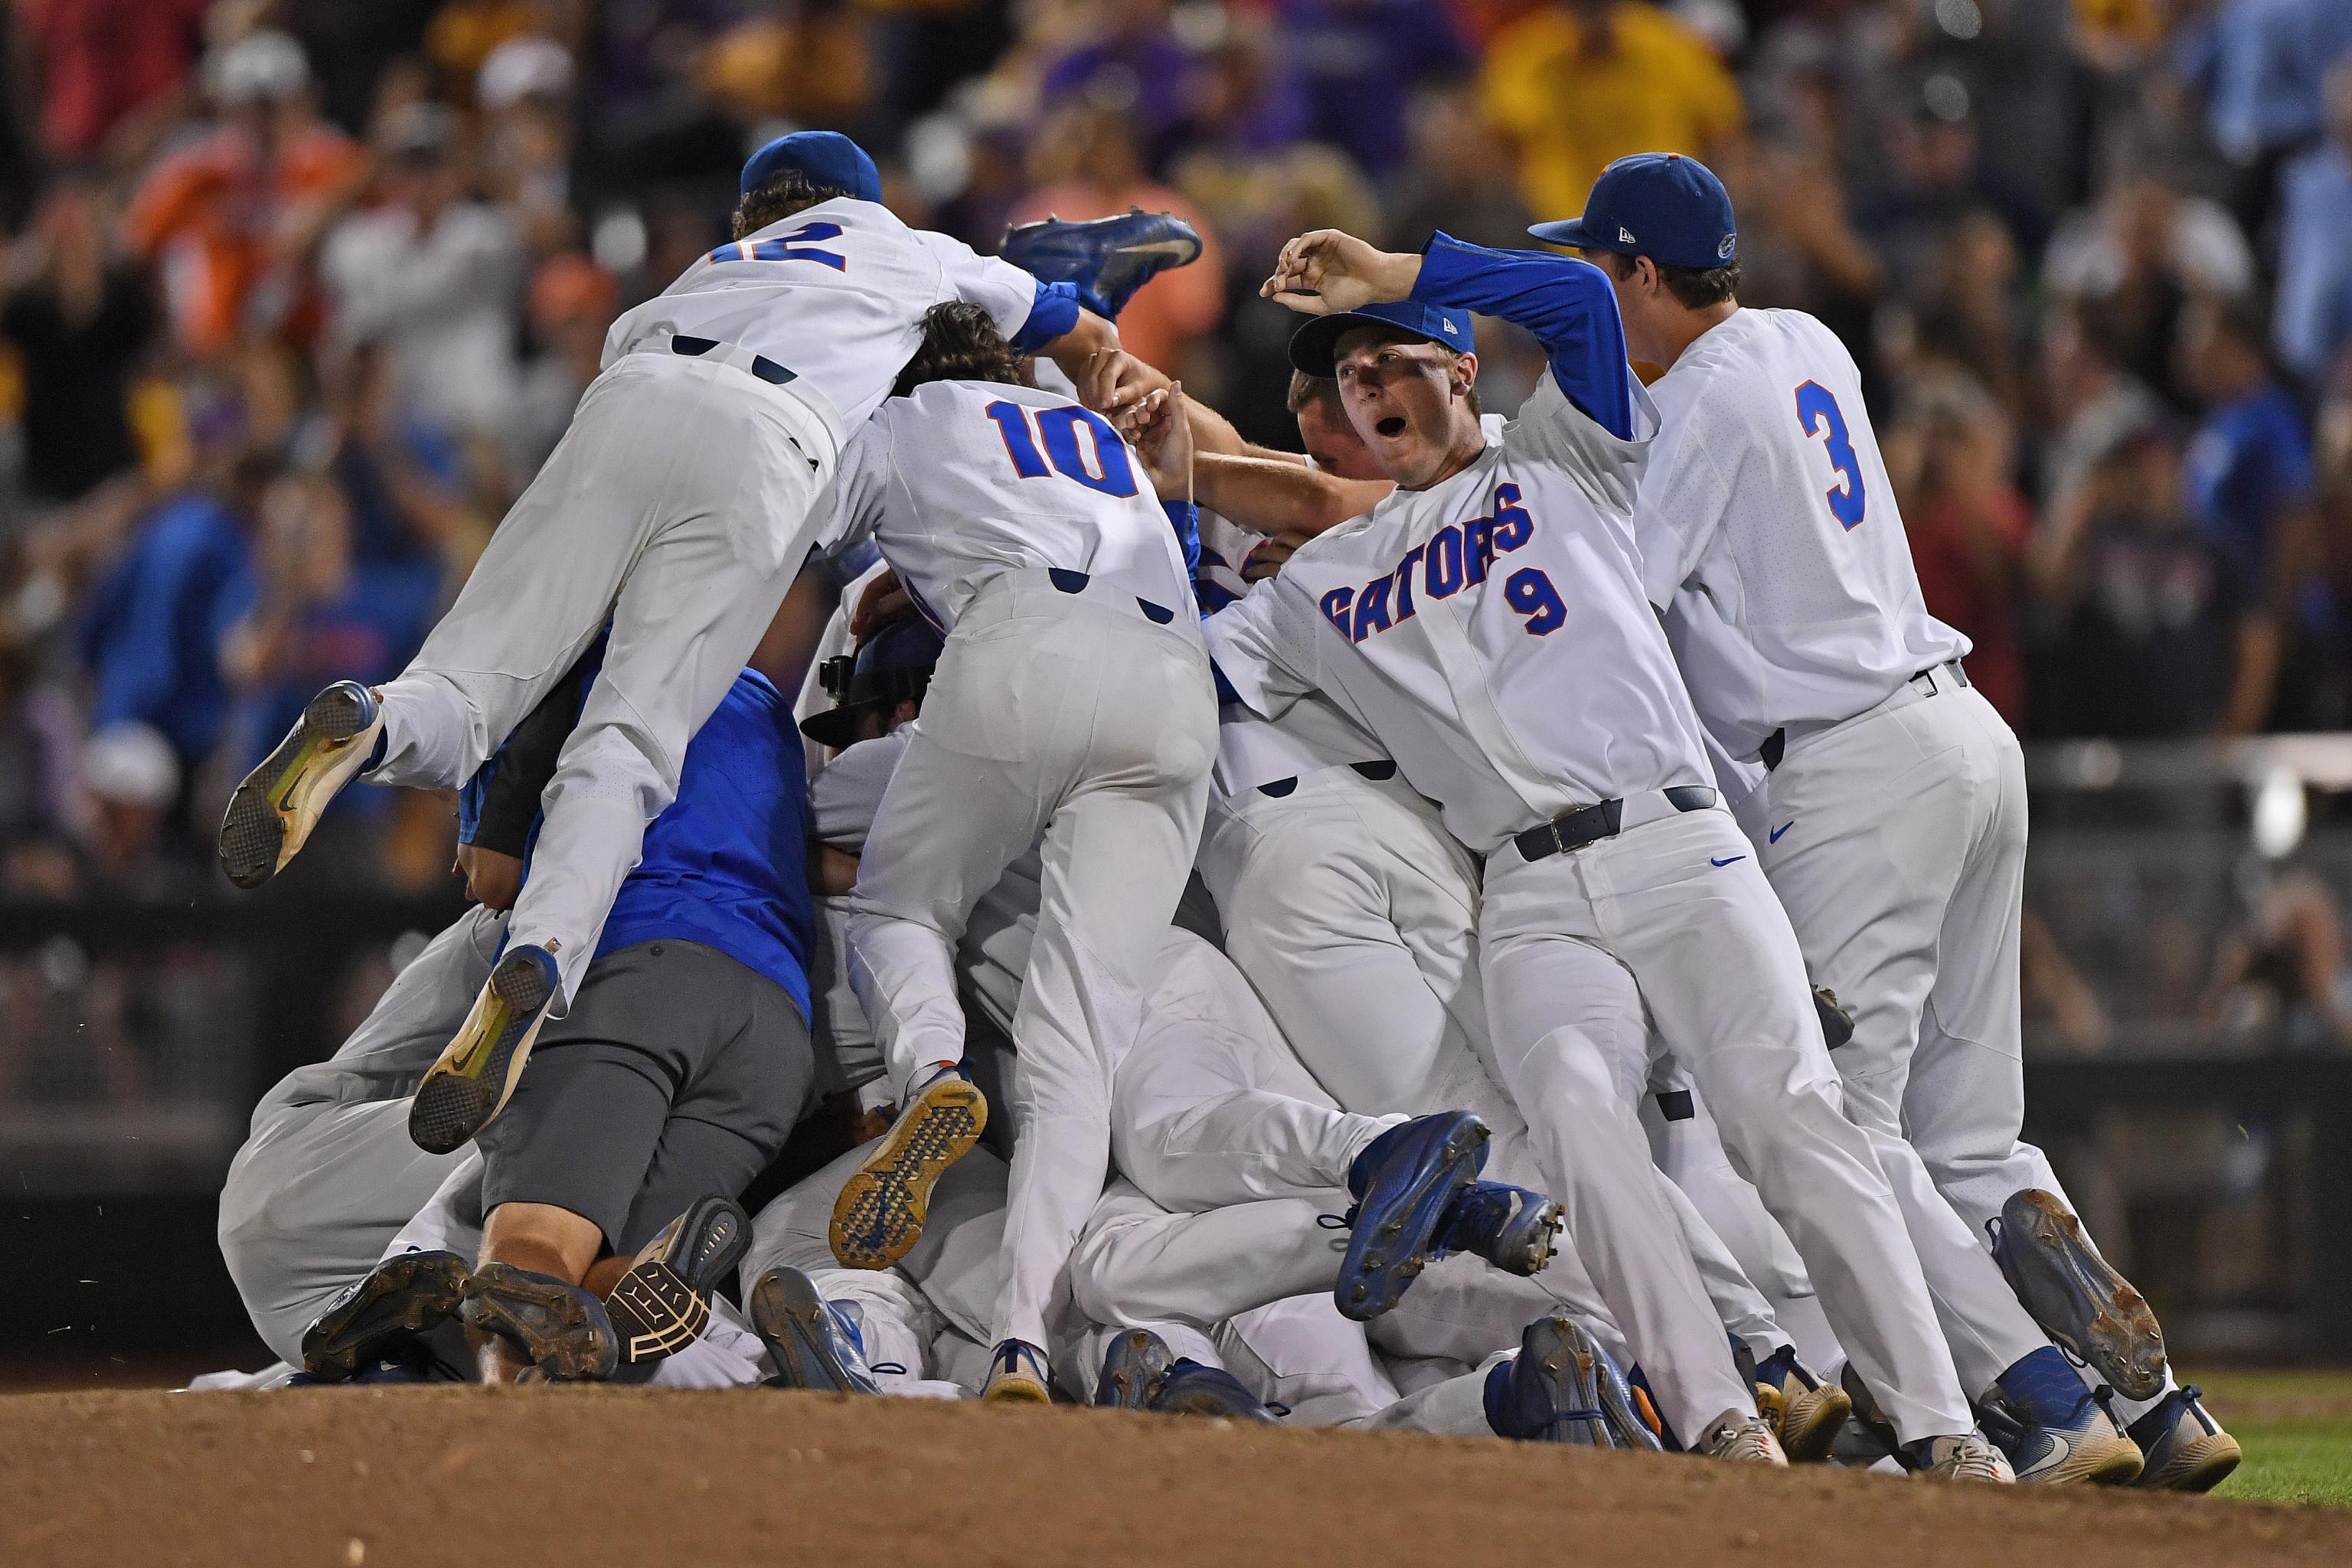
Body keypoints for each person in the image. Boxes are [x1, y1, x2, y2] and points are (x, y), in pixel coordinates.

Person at [1209, 224, 2007, 1474]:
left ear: (1464, 370)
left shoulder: (1567, 458)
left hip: (1676, 847)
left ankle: (1945, 1424)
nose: (1369, 391)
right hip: (1529, 898)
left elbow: (1578, 296)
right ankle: (1721, 1417)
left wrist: (1393, 276)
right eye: (1350, 380)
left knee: (1791, 1121)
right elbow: (1178, 655)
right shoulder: (1316, 586)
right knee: (1579, 1119)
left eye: (1392, 363)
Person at [216, 132, 1157, 1165]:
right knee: (630, 741)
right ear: (861, 199)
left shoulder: (701, 275)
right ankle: (539, 960)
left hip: (630, 399)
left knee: (474, 679)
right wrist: (1096, 365)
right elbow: (1060, 317)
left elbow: (627, 382)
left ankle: (374, 721)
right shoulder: (904, 245)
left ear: (755, 218)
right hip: (769, 434)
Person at [1557, 151, 2230, 1490]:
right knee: (1972, 1138)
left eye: (1597, 270)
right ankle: (2160, 1413)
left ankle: (2041, 1398)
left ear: (1642, 273)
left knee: (1839, 1132)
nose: (1590, 300)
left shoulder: (1691, 406)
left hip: (1854, 771)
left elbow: (1610, 608)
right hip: (1965, 732)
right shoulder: (1805, 339)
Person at [816, 302, 1219, 1403]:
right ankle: (1023, 1339)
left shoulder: (901, 420)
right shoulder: (1084, 430)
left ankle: (931, 1076)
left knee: (900, 911)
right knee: (1076, 1041)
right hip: (1175, 684)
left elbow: (775, 531)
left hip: (1021, 648)